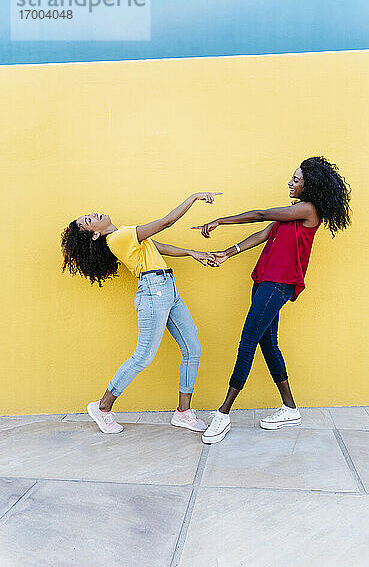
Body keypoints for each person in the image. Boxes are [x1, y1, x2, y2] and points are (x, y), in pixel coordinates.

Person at [193, 157, 351, 444]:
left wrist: (220, 220)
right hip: (264, 282)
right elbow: (264, 233)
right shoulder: (292, 212)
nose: (290, 183)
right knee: (268, 343)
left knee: (248, 340)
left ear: (310, 185)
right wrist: (228, 252)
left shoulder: (308, 209)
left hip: (278, 285)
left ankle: (223, 413)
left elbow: (261, 215)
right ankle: (290, 408)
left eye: (296, 179)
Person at [61, 192, 221, 434]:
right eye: (88, 220)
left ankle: (183, 413)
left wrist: (191, 253)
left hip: (168, 288)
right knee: (143, 356)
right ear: (95, 233)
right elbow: (166, 222)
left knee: (192, 349)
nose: (93, 214)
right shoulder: (118, 238)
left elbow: (158, 247)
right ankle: (102, 408)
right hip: (153, 293)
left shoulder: (125, 233)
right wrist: (194, 197)